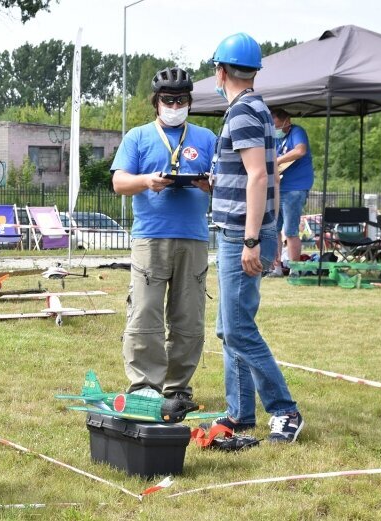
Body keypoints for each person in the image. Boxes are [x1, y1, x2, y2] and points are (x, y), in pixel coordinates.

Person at [210, 33, 304, 443]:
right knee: (228, 328)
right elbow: (264, 178)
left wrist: (252, 241)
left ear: (221, 71)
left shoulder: (243, 112)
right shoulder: (258, 109)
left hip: (240, 237)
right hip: (246, 230)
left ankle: (284, 410)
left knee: (239, 329)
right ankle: (239, 414)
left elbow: (259, 175)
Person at [111, 66, 216, 414]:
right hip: (150, 238)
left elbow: (227, 179)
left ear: (189, 102)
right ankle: (144, 385)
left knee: (189, 317)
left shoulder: (205, 138)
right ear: (156, 103)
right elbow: (119, 182)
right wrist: (145, 181)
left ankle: (179, 387)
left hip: (194, 239)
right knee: (145, 314)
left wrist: (210, 184)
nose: (175, 105)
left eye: (182, 100)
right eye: (169, 100)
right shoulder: (138, 137)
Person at [267, 108, 314, 277]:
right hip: (278, 187)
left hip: (294, 188)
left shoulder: (297, 132)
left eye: (276, 125)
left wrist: (277, 160)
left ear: (286, 120)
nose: (275, 129)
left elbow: (300, 150)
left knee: (290, 230)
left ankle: (295, 269)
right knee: (273, 229)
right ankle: (276, 267)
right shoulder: (274, 138)